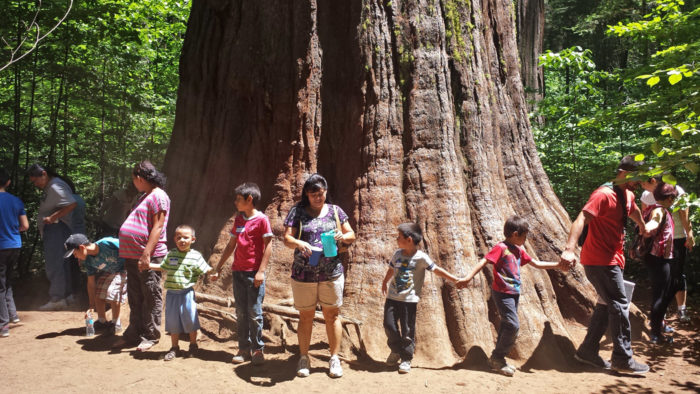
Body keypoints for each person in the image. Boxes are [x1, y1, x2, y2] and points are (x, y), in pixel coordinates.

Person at [560, 155, 650, 374]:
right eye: (638, 179)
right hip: (599, 261)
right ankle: (622, 359)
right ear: (625, 174)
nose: (640, 184)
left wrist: (643, 226)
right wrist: (569, 249)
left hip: (613, 259)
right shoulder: (603, 195)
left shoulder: (627, 194)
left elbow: (633, 209)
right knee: (619, 303)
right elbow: (582, 218)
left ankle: (587, 351)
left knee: (605, 304)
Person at [456, 216, 563, 376]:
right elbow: (484, 261)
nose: (525, 240)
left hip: (514, 293)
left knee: (507, 325)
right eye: (524, 236)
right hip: (501, 293)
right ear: (514, 234)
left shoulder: (519, 250)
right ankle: (498, 358)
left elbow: (536, 264)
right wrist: (468, 277)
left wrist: (558, 265)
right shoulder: (500, 247)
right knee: (513, 325)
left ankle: (496, 359)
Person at [282, 174, 356, 378]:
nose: (317, 197)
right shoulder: (297, 211)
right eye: (313, 194)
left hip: (330, 272)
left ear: (325, 192)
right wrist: (299, 243)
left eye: (321, 193)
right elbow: (287, 238)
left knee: (332, 315)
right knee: (306, 316)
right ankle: (304, 357)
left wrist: (343, 236)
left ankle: (334, 358)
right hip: (303, 274)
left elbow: (351, 235)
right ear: (306, 193)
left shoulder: (335, 211)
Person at [381, 222, 461, 374]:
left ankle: (406, 358)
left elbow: (436, 269)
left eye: (399, 237)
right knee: (389, 324)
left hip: (408, 300)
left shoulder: (421, 258)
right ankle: (396, 350)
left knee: (407, 330)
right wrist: (385, 282)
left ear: (409, 239)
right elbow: (391, 269)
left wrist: (454, 279)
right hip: (392, 297)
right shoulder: (397, 254)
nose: (397, 239)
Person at [209, 182, 273, 365]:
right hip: (238, 272)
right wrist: (218, 267)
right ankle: (243, 349)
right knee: (241, 312)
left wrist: (261, 272)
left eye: (238, 199)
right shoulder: (238, 219)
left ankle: (258, 350)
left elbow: (268, 245)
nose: (235, 202)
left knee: (254, 312)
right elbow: (231, 245)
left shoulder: (262, 220)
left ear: (249, 199)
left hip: (254, 273)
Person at [113, 160, 170, 351]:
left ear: (139, 178)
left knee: (150, 293)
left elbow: (158, 226)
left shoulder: (159, 196)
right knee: (135, 295)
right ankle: (134, 333)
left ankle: (151, 335)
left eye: (134, 179)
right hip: (133, 255)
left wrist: (147, 254)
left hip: (148, 256)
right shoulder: (144, 196)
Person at [139, 225, 211, 361]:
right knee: (173, 322)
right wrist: (147, 265)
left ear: (193, 239)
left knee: (190, 319)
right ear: (174, 239)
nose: (182, 240)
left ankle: (193, 345)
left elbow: (206, 269)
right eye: (179, 237)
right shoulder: (171, 254)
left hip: (186, 294)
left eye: (186, 237)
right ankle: (174, 347)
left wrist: (214, 273)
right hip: (172, 294)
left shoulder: (195, 256)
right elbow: (162, 267)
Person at [641, 176, 694, 323]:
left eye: (643, 182)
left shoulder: (677, 192)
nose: (641, 185)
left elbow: (685, 217)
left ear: (653, 181)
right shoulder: (646, 195)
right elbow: (645, 216)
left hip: (677, 238)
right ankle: (661, 311)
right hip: (656, 241)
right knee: (659, 275)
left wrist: (689, 235)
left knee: (677, 274)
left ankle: (681, 309)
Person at [27, 164, 77, 310]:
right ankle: (67, 296)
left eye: (36, 181)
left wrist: (52, 217)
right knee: (63, 262)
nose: (35, 184)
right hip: (58, 228)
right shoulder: (53, 186)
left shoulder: (55, 186)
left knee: (54, 263)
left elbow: (71, 204)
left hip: (56, 228)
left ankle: (57, 298)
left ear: (43, 174)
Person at [64, 234, 126, 334]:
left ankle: (116, 324)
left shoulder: (106, 243)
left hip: (127, 269)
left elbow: (127, 245)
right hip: (112, 272)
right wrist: (91, 305)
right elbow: (91, 283)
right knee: (98, 291)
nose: (75, 257)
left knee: (112, 290)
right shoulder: (88, 261)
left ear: (82, 248)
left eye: (75, 254)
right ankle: (102, 321)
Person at [641, 183, 679, 344]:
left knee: (666, 290)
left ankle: (656, 329)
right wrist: (648, 228)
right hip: (658, 258)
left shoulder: (653, 208)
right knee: (660, 295)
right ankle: (656, 334)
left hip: (658, 257)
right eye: (673, 197)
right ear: (669, 197)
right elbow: (654, 222)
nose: (674, 200)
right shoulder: (659, 210)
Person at [0, 168, 29, 337]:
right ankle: (13, 316)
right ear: (8, 182)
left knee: (0, 286)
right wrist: (12, 231)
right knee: (7, 281)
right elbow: (25, 226)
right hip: (14, 244)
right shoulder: (16, 201)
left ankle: (3, 326)